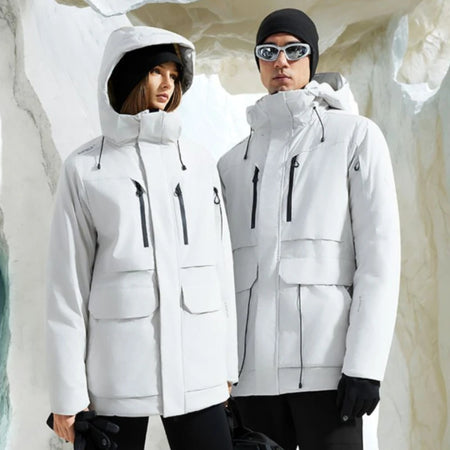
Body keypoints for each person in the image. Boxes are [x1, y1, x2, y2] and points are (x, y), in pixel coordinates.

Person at [46, 26, 237, 450]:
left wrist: (227, 365)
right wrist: (67, 394)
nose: (168, 83)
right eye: (155, 71)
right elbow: (67, 287)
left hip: (198, 369)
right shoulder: (86, 168)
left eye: (174, 74)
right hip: (117, 373)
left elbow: (221, 265)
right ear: (128, 76)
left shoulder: (198, 162)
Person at [218, 8, 400, 450]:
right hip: (252, 380)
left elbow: (379, 257)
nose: (281, 61)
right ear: (258, 62)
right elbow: (220, 278)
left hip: (328, 372)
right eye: (268, 52)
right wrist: (221, 375)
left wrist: (365, 367)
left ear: (311, 59)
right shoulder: (232, 163)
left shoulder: (355, 137)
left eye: (294, 50)